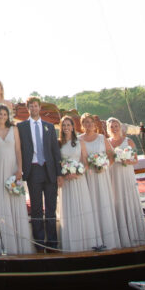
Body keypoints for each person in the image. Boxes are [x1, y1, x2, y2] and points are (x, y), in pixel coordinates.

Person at [18, 96, 62, 251]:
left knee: (50, 209)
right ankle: (39, 244)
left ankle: (52, 244)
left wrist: (59, 174)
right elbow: (19, 150)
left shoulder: (49, 127)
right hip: (33, 170)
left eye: (36, 106)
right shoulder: (21, 127)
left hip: (49, 171)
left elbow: (56, 152)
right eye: (31, 106)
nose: (34, 108)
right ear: (28, 108)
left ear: (40, 108)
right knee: (36, 209)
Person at [0, 104, 34, 255]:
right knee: (1, 202)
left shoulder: (14, 129)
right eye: (0, 114)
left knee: (15, 201)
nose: (2, 116)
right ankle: (4, 245)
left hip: (12, 168)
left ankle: (20, 244)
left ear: (8, 116)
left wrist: (20, 169)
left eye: (5, 114)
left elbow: (18, 150)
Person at [58, 115, 101, 251]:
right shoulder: (58, 143)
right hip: (66, 182)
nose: (66, 128)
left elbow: (85, 162)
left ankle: (87, 243)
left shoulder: (80, 142)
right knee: (69, 210)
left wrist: (78, 172)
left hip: (79, 179)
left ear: (73, 127)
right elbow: (57, 162)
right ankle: (73, 245)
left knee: (82, 208)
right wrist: (64, 173)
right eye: (64, 125)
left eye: (68, 125)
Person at [80, 113, 120, 250]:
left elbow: (112, 155)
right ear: (82, 124)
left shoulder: (102, 138)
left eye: (90, 122)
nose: (88, 124)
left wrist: (104, 165)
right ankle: (93, 239)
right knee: (90, 205)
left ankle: (107, 238)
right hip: (88, 177)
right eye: (85, 122)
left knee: (103, 203)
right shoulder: (79, 140)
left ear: (94, 124)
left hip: (102, 176)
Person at [106, 117, 145, 247]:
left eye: (116, 126)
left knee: (127, 200)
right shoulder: (107, 142)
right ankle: (119, 236)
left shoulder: (128, 141)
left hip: (126, 173)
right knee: (115, 200)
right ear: (108, 129)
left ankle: (133, 235)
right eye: (111, 127)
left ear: (120, 127)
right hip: (113, 174)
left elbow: (135, 160)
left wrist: (126, 160)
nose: (114, 128)